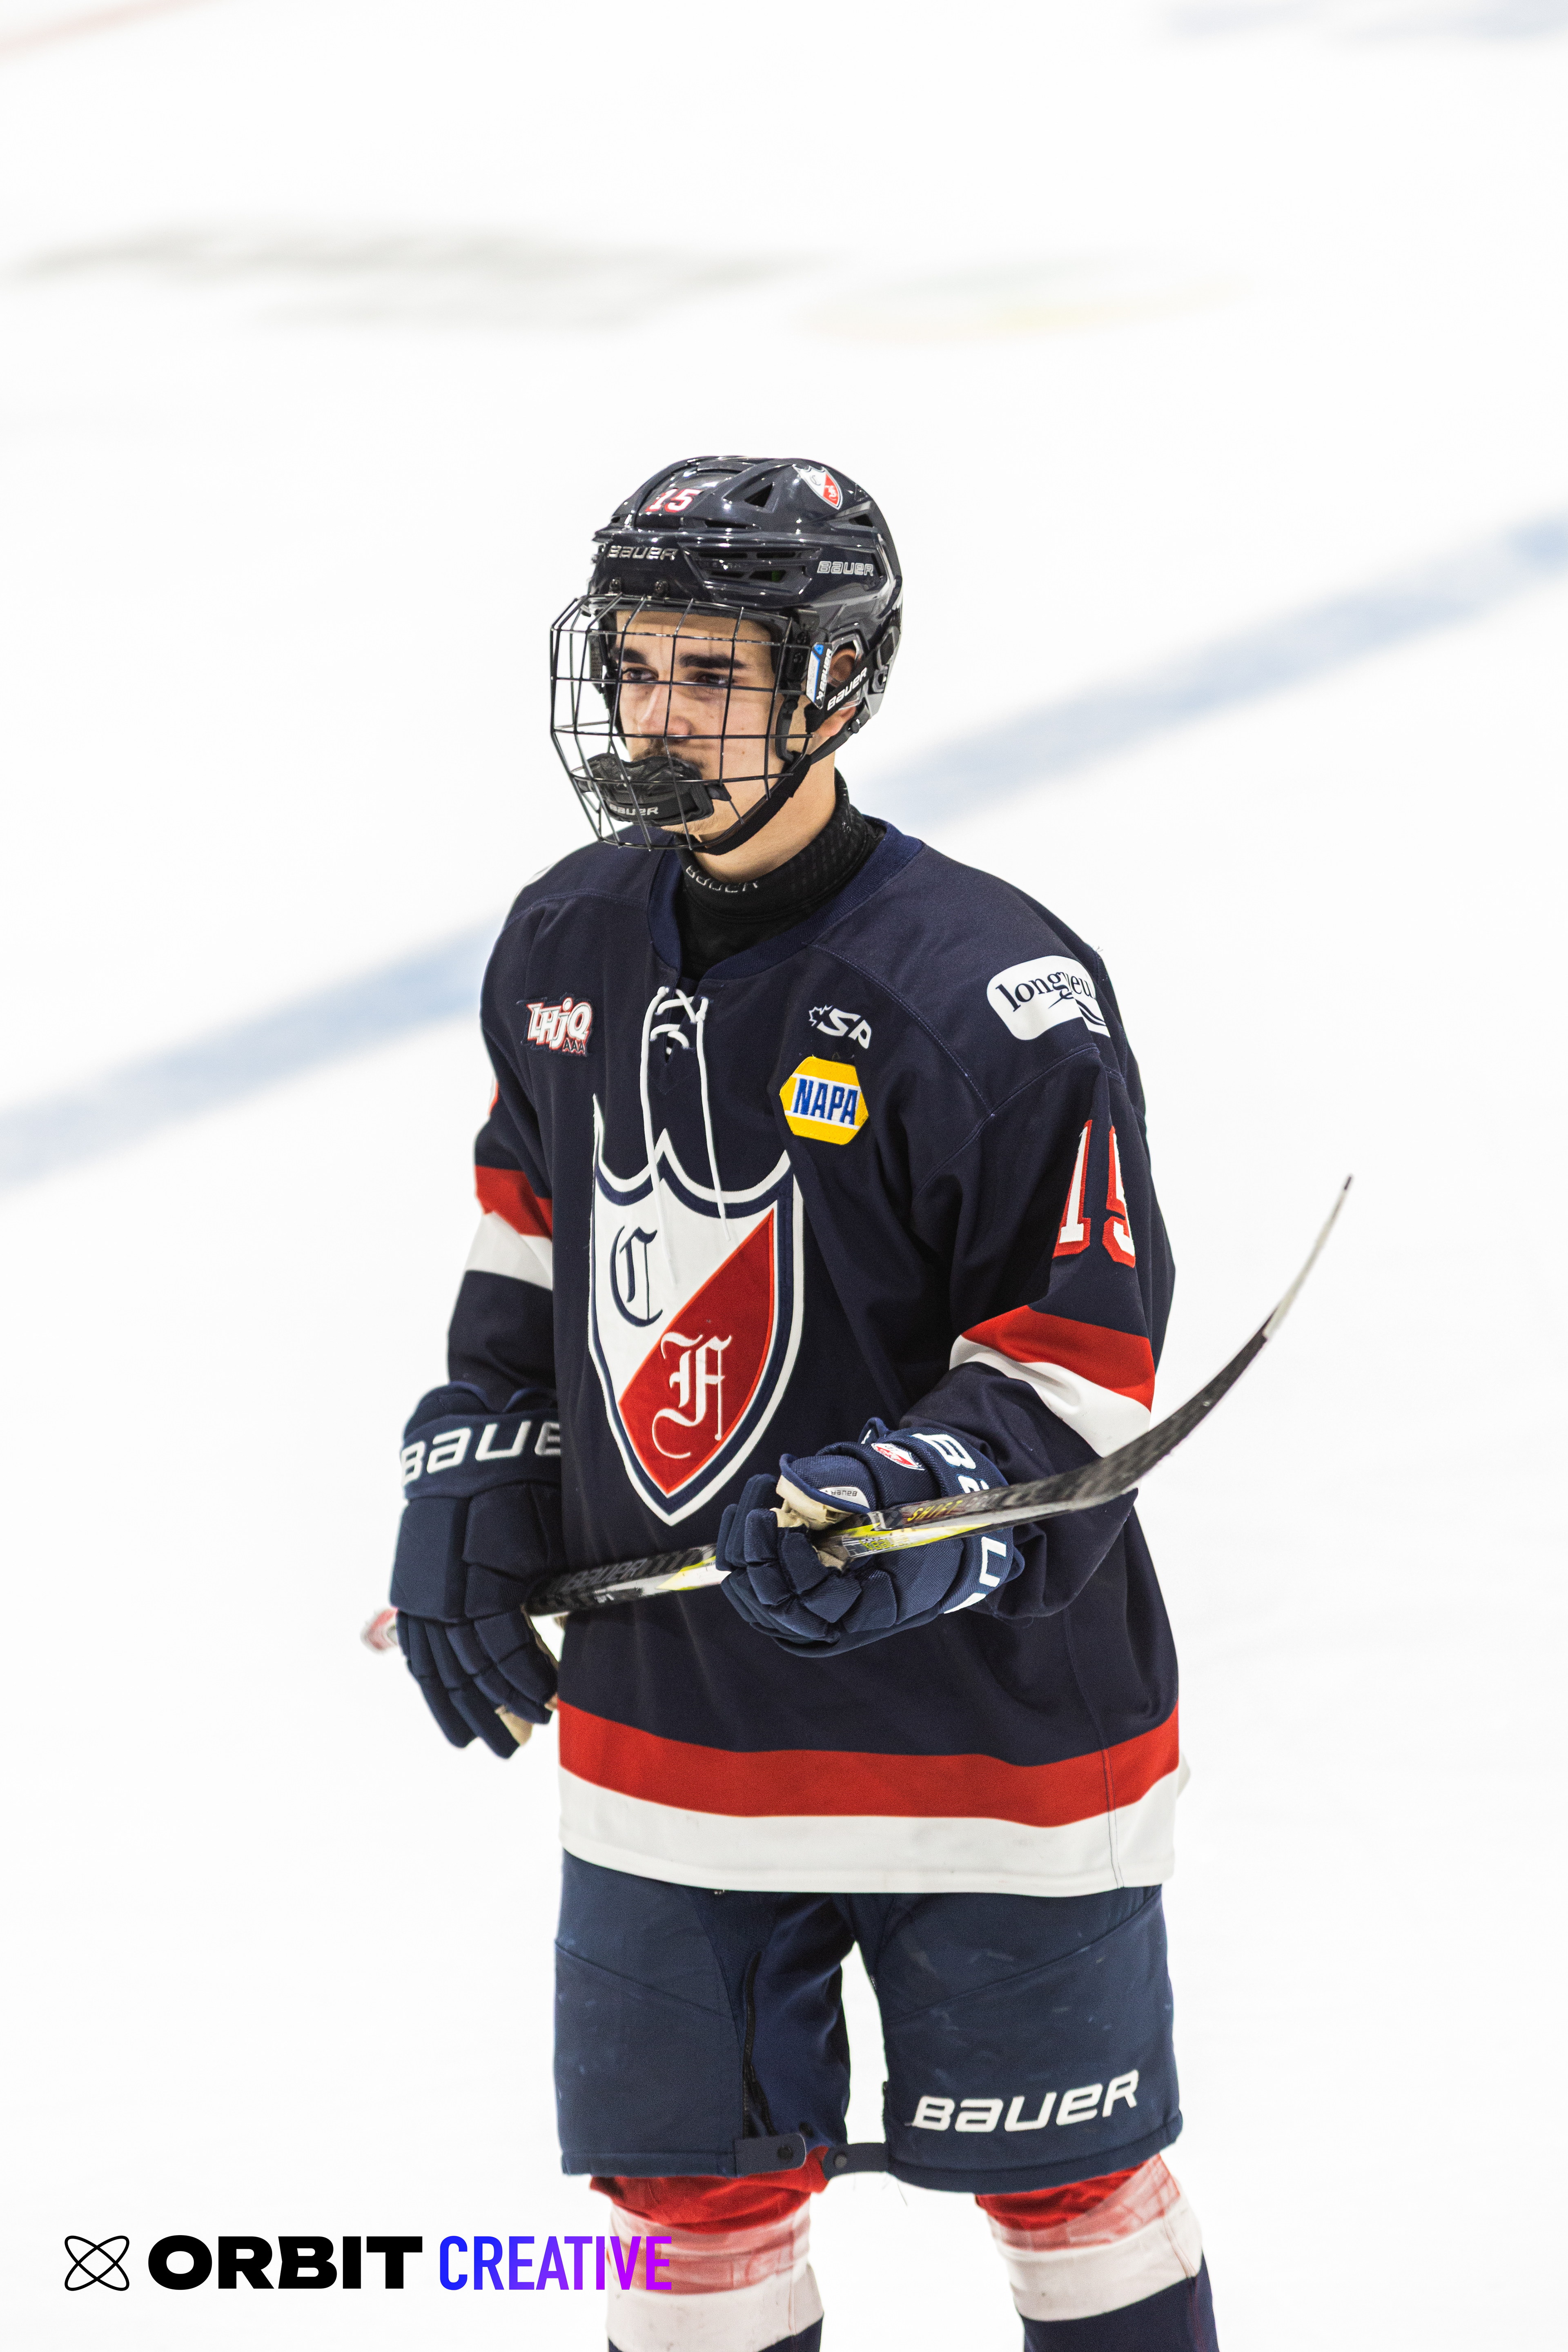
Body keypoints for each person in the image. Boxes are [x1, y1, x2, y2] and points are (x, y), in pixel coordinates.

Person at [388, 455, 1218, 2352]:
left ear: (832, 683)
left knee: (1076, 2190)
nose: (656, 717)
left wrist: (928, 1497)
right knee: (680, 2215)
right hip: (678, 1733)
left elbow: (1084, 1358)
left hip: (991, 1747)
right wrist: (478, 1463)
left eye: (712, 676)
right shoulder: (565, 941)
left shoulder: (988, 988)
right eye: (636, 665)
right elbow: (533, 1239)